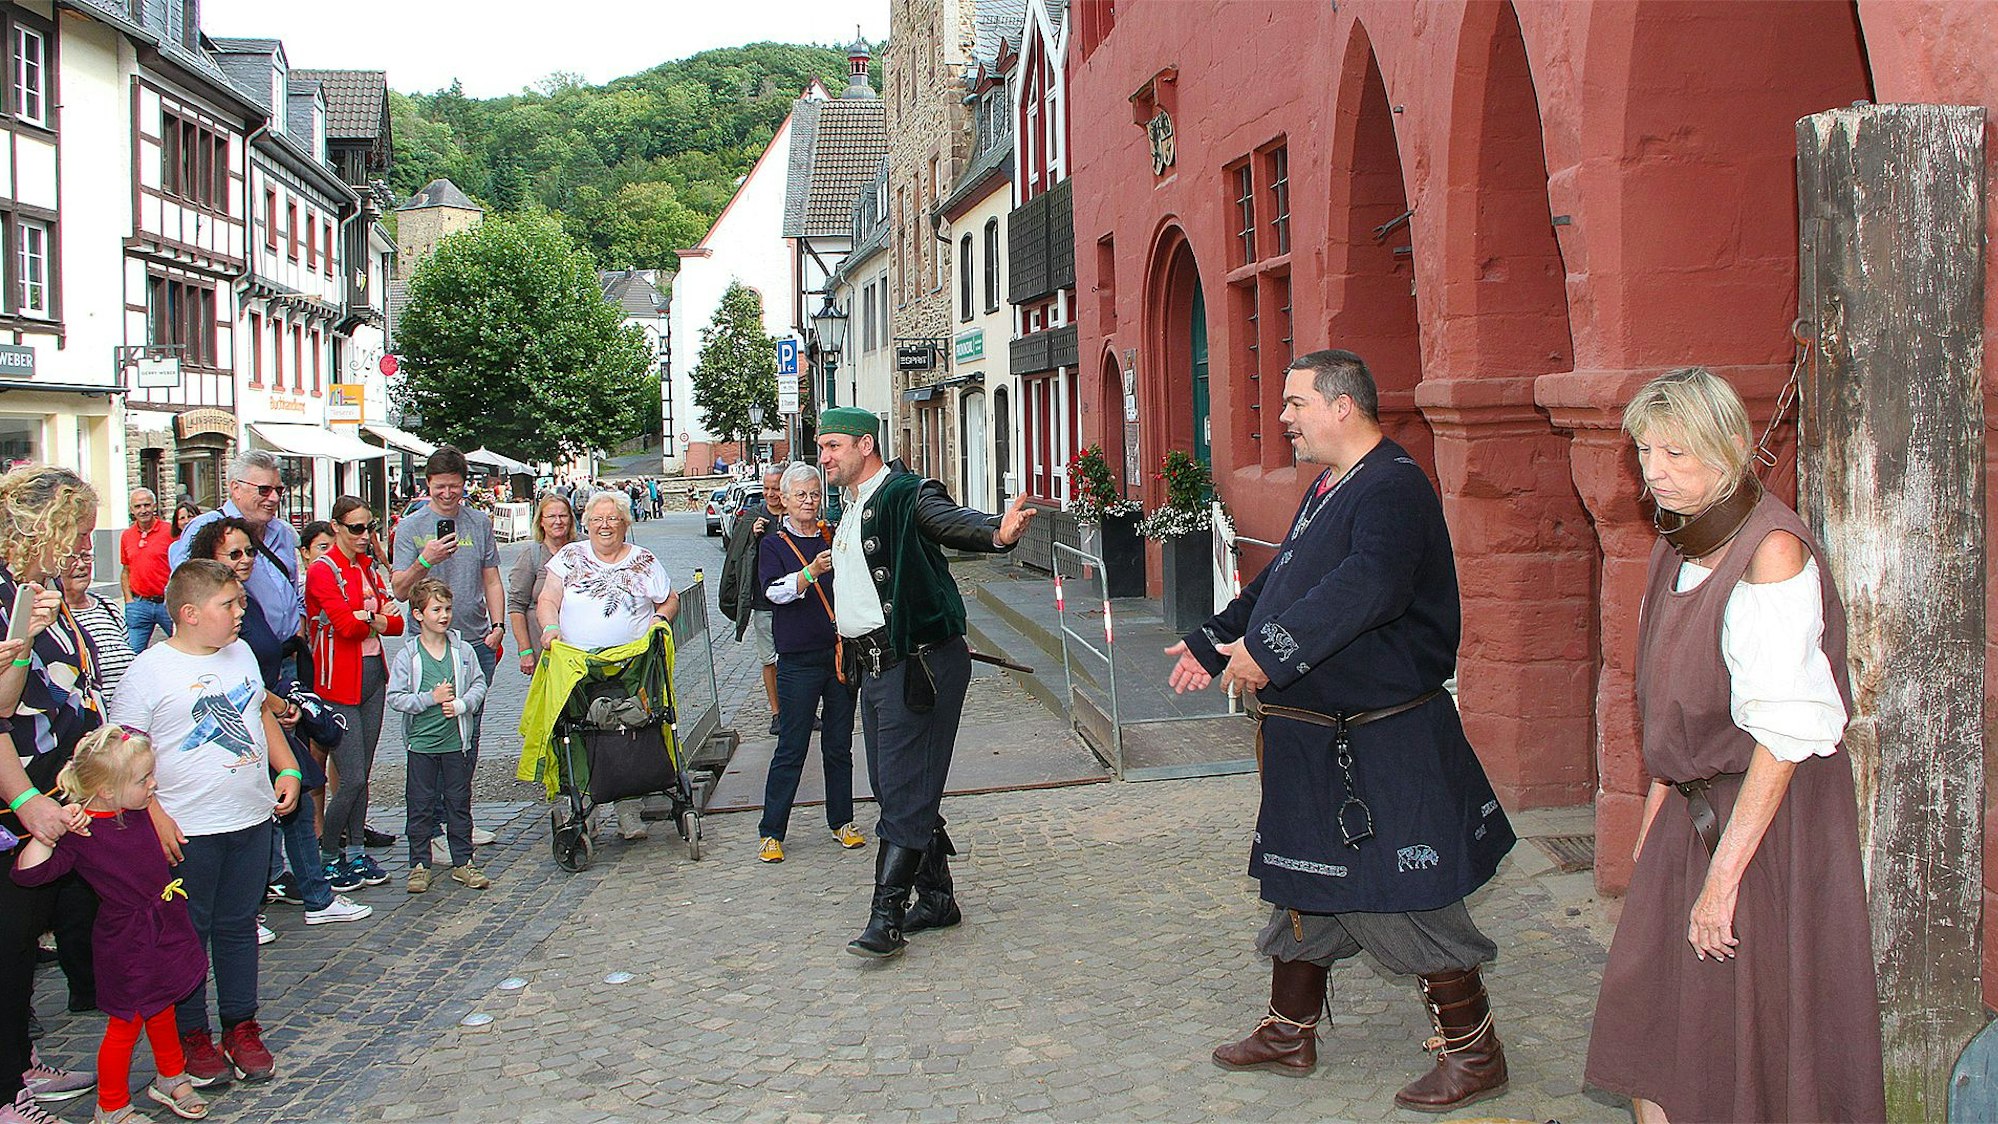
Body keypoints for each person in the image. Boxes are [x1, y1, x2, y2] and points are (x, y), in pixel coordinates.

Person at [1164, 351, 1515, 1112]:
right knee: (1306, 883)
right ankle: (1290, 1030)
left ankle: (1475, 1051)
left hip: (1380, 741)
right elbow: (1283, 580)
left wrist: (1270, 651)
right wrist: (1213, 638)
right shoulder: (1331, 486)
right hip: (1321, 736)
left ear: (1343, 405)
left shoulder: (1393, 487)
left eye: (1295, 404)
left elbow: (1370, 587)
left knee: (1406, 894)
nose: (1284, 418)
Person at [1585, 368, 1885, 1122]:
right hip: (1694, 817)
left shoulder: (1771, 554)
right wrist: (1654, 837)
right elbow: (1669, 722)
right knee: (1651, 1028)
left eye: (1676, 454)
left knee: (1742, 1039)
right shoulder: (1680, 545)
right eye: (1646, 451)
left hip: (1766, 829)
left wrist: (1723, 880)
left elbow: (1784, 738)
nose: (1655, 472)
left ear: (1726, 450)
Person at [813, 407, 1035, 959]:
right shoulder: (851, 503)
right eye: (821, 448)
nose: (825, 458)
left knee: (905, 788)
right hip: (876, 663)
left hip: (920, 663)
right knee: (894, 787)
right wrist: (847, 646)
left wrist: (995, 532)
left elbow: (940, 515)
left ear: (866, 445)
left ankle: (884, 918)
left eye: (834, 446)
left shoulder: (900, 492)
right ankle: (937, 899)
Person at [108, 559, 305, 1090]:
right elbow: (123, 755)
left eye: (241, 602)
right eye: (230, 605)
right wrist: (155, 815)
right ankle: (191, 1031)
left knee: (239, 926)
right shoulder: (148, 673)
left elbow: (259, 711)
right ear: (191, 614)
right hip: (188, 829)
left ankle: (240, 1023)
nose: (242, 613)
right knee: (187, 934)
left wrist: (284, 765)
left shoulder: (238, 654)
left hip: (248, 817)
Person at [11, 727, 210, 1124]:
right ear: (106, 789)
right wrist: (50, 834)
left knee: (163, 1004)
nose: (153, 784)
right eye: (143, 779)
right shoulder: (82, 832)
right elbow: (28, 874)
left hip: (163, 923)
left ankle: (171, 1077)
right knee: (126, 1022)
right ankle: (112, 1103)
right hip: (127, 939)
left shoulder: (132, 809)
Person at [188, 519, 368, 931]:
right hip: (240, 722)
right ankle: (246, 910)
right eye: (234, 554)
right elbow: (229, 674)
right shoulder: (218, 611)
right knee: (255, 815)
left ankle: (311, 896)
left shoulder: (245, 598)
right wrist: (276, 702)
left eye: (249, 551)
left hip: (266, 714)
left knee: (296, 801)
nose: (246, 559)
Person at [0, 467, 104, 1120]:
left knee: (23, 938)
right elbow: (2, 707)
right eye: (76, 535)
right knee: (9, 946)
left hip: (46, 788)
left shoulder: (32, 587)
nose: (77, 551)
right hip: (17, 800)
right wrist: (22, 801)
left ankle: (16, 1060)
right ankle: (6, 1091)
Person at [537, 491, 677, 841]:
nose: (604, 526)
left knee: (630, 731)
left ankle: (628, 811)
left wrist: (659, 619)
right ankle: (586, 809)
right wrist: (550, 627)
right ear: (585, 524)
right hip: (579, 667)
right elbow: (548, 598)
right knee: (580, 733)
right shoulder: (569, 556)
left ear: (625, 524)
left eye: (612, 519)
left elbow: (669, 598)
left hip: (631, 665)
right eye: (597, 519)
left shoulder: (643, 559)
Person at [391, 448, 505, 854]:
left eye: (454, 487)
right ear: (427, 486)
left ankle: (459, 819)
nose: (447, 495)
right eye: (440, 488)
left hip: (474, 642)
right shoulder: (410, 527)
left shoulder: (479, 522)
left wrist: (499, 625)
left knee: (466, 735)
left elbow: (491, 578)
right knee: (431, 735)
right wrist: (427, 558)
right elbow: (400, 589)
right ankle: (434, 829)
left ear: (464, 485)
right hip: (427, 645)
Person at [753, 464, 864, 863]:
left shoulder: (832, 535)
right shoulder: (773, 544)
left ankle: (842, 821)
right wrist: (809, 573)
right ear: (784, 498)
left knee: (839, 744)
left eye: (815, 494)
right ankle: (771, 830)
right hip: (798, 660)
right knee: (792, 745)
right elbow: (772, 593)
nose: (809, 502)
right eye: (801, 495)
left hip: (837, 654)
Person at [306, 498, 402, 892]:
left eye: (370, 527)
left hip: (372, 676)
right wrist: (370, 619)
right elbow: (344, 627)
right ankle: (328, 855)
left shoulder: (367, 568)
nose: (365, 537)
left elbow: (396, 623)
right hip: (337, 681)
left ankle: (358, 848)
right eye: (356, 529)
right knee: (350, 778)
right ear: (337, 528)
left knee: (362, 775)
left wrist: (371, 619)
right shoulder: (323, 570)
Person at [387, 579, 491, 894]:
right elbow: (396, 697)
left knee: (459, 803)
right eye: (436, 609)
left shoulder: (462, 651)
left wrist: (462, 704)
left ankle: (463, 861)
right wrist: (429, 699)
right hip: (421, 744)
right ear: (418, 615)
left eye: (447, 609)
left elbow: (479, 684)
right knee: (420, 804)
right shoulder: (409, 656)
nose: (444, 616)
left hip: (454, 742)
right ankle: (419, 863)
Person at [169, 454, 303, 648]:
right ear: (236, 488)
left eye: (279, 490)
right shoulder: (206, 528)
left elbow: (293, 587)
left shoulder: (282, 532)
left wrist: (299, 630)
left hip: (288, 653)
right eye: (264, 490)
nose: (274, 498)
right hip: (235, 654)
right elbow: (185, 595)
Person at [720, 467, 785, 735]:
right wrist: (752, 536)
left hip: (795, 601)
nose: (771, 494)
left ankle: (801, 710)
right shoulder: (754, 516)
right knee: (769, 659)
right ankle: (777, 713)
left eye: (776, 488)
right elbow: (736, 555)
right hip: (762, 601)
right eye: (767, 488)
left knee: (797, 660)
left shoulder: (797, 513)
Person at [506, 495, 577, 680]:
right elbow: (516, 606)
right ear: (541, 522)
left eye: (563, 516)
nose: (558, 521)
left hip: (581, 647)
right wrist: (525, 650)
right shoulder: (532, 556)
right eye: (551, 516)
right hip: (544, 648)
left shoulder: (584, 548)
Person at [60, 551, 135, 701]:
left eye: (85, 557)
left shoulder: (107, 606)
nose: (81, 565)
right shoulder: (56, 617)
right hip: (91, 719)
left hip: (125, 717)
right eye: (71, 558)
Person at [117, 489, 173, 654]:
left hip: (167, 604)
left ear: (154, 506)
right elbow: (126, 570)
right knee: (131, 654)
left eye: (147, 505)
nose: (143, 510)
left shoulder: (170, 532)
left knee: (185, 648)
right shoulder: (127, 536)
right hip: (139, 604)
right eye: (138, 506)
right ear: (132, 510)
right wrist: (128, 600)